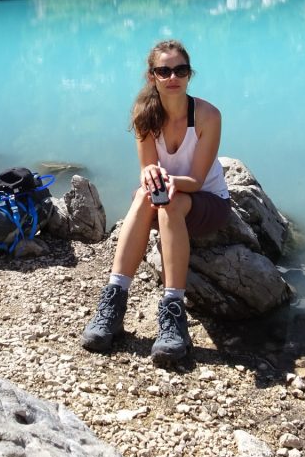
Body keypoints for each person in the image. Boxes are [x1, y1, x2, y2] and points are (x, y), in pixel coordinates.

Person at [81, 39, 231, 365]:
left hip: (206, 201)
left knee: (169, 203)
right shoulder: (144, 116)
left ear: (190, 74)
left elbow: (196, 180)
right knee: (143, 196)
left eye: (180, 70)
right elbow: (147, 168)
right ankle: (114, 301)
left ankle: (173, 312)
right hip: (163, 197)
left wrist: (167, 182)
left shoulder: (207, 116)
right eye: (164, 70)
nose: (172, 77)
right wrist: (152, 176)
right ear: (152, 77)